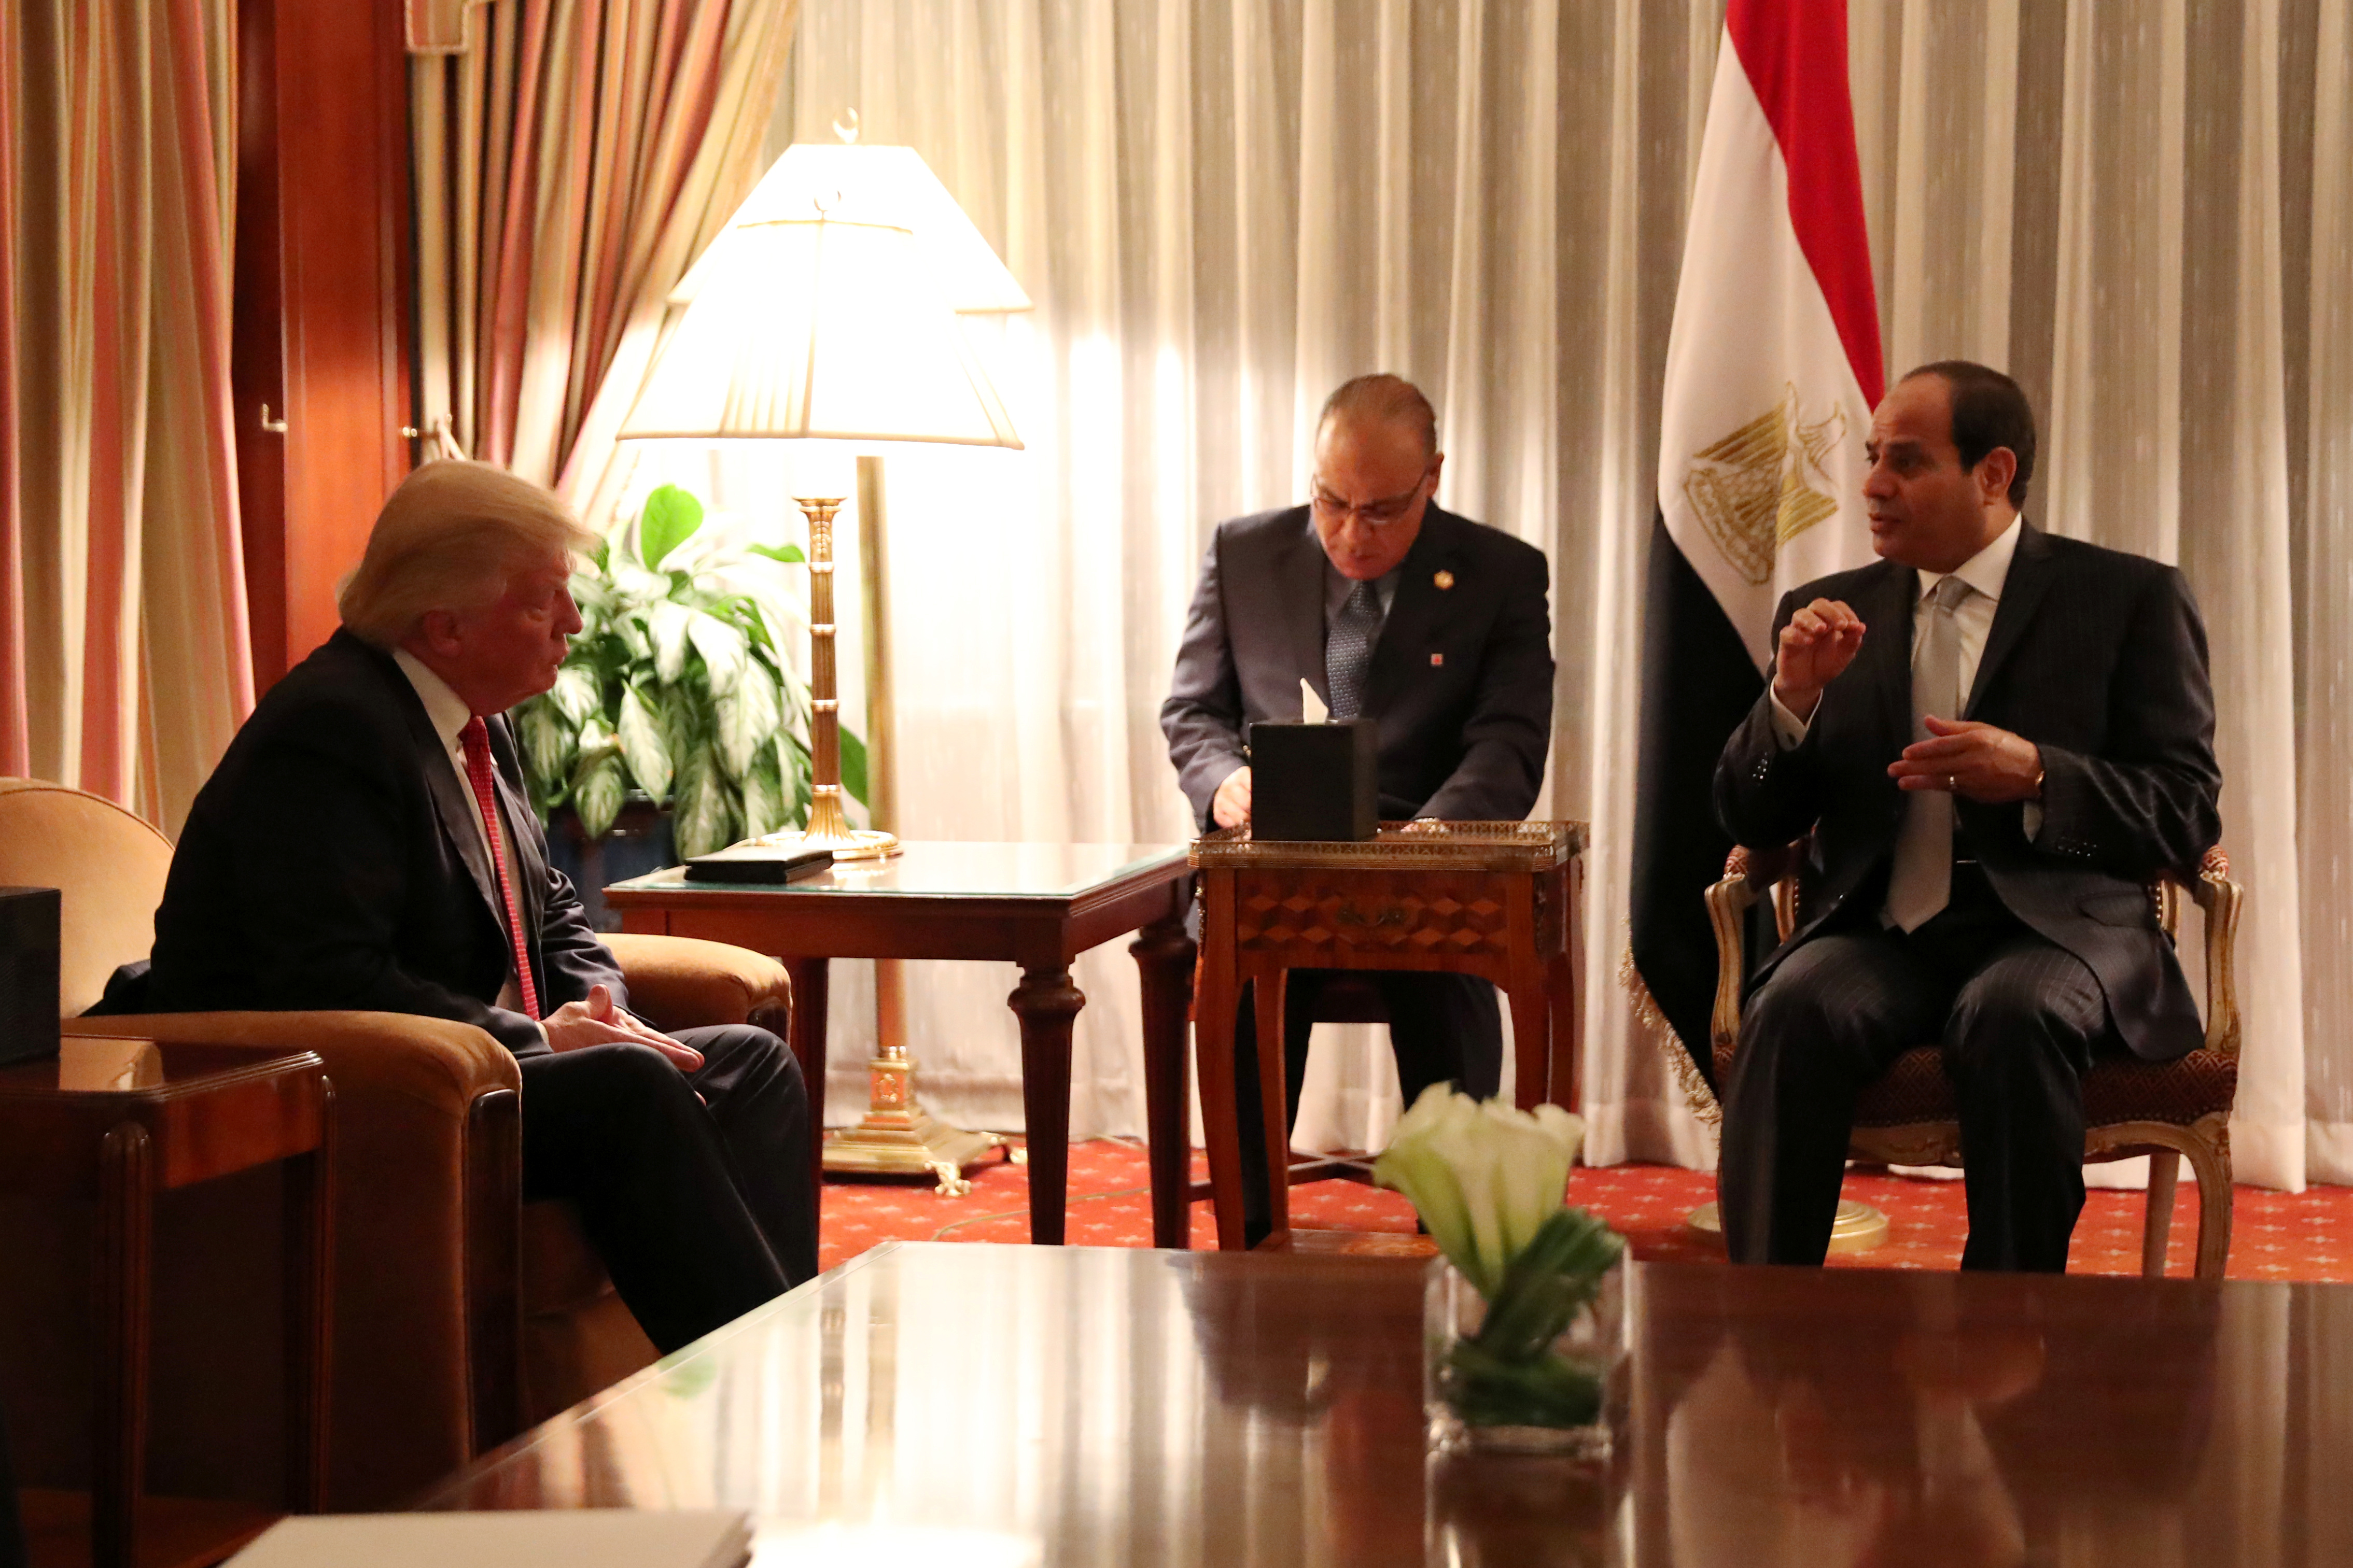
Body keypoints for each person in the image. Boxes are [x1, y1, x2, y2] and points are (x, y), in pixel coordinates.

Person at [137, 460, 815, 1350]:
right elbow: (333, 978)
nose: (575, 622)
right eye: (542, 603)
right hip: (360, 1090)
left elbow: (553, 908)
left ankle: (781, 1358)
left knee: (752, 1065)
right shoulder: (330, 729)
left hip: (479, 1065)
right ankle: (761, 1375)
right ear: (445, 625)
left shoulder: (474, 717)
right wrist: (535, 1037)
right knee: (631, 1089)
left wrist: (600, 1008)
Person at [1713, 361, 2221, 1272]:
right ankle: (1764, 1313)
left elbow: (2184, 808)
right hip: (1881, 934)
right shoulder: (1827, 614)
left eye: (1905, 461)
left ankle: (2012, 1318)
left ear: (1992, 473)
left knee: (2011, 1014)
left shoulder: (2126, 599)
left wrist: (2039, 776)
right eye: (1872, 457)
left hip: (2057, 933)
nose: (1871, 485)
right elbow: (1749, 813)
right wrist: (1790, 702)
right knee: (1789, 1006)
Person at [1161, 373, 1554, 1242]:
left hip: (1425, 863)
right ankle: (1248, 1230)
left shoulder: (1500, 573)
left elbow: (1509, 740)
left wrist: (1434, 837)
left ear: (1433, 477)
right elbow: (1192, 710)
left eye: (1379, 512)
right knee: (1241, 970)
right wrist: (1222, 782)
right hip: (1277, 860)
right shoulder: (1243, 553)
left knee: (1451, 968)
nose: (1349, 533)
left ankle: (1457, 1230)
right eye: (1331, 502)